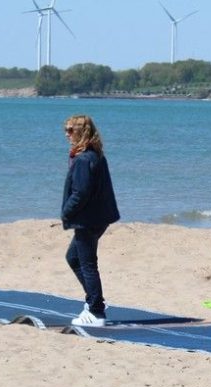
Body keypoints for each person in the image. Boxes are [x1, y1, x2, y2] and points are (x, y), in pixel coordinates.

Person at [61, 115, 120, 327]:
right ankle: (95, 302)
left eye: (70, 130)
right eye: (65, 130)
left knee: (86, 263)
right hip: (97, 217)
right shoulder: (95, 155)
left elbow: (81, 192)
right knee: (73, 258)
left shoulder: (85, 159)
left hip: (87, 219)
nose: (66, 134)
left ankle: (96, 310)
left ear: (81, 132)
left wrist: (66, 212)